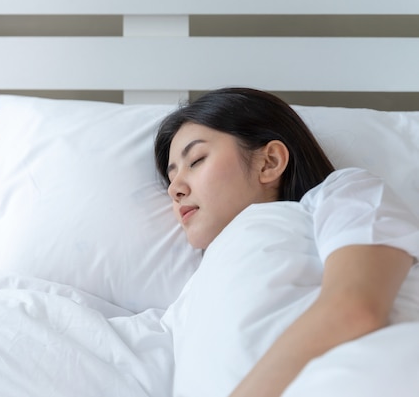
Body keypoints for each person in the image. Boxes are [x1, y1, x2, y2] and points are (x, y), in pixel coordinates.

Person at [154, 87, 419, 397]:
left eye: (196, 160)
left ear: (269, 161)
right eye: (170, 179)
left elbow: (354, 309)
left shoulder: (342, 196)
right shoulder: (188, 301)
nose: (175, 189)